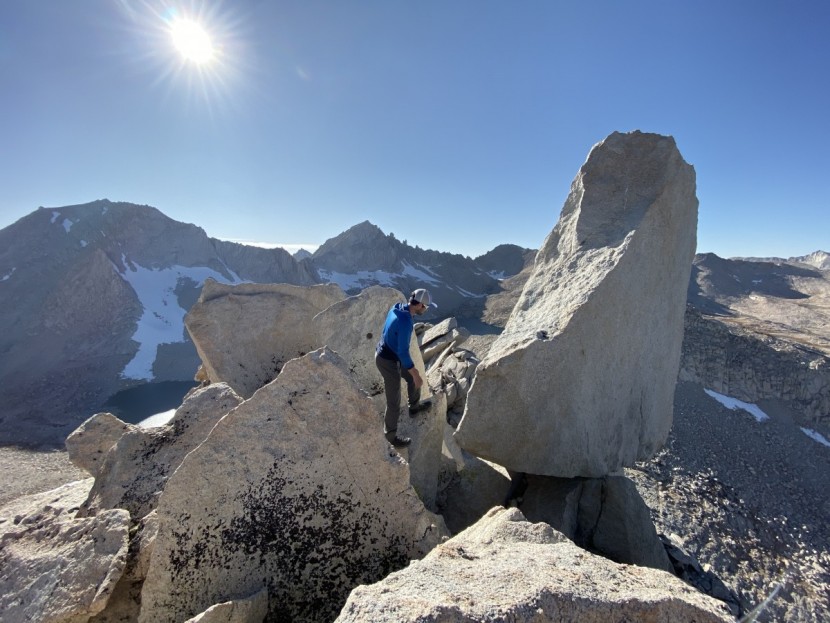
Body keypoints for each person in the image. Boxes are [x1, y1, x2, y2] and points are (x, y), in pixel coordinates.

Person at [375, 288, 436, 447]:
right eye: (426, 307)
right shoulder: (406, 322)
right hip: (387, 360)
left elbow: (386, 330)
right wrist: (414, 372)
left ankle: (414, 408)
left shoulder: (397, 307)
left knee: (411, 379)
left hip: (388, 353)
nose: (426, 309)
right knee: (394, 401)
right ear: (421, 305)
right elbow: (403, 351)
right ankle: (390, 437)